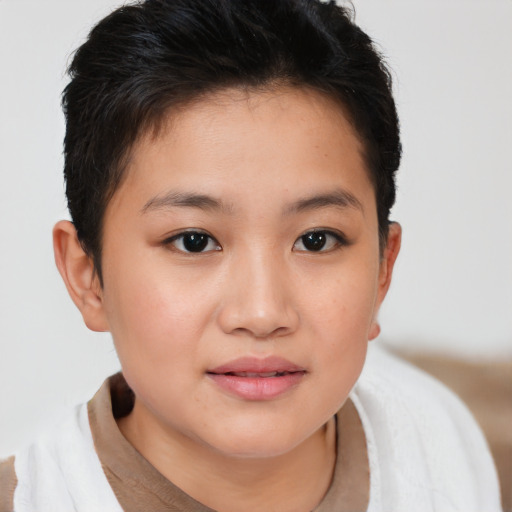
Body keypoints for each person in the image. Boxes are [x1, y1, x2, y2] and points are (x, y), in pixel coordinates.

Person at [0, 0, 502, 510]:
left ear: (382, 271)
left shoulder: (438, 447)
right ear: (88, 278)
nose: (262, 313)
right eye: (193, 241)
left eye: (316, 239)